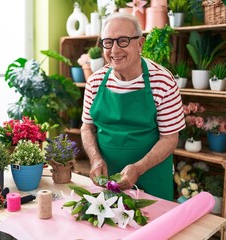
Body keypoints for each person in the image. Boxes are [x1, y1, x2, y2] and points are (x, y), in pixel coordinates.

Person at [80, 12, 185, 201]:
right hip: (108, 182)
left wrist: (138, 168)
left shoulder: (162, 81)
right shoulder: (95, 82)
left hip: (152, 178)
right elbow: (87, 128)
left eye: (122, 41)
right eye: (108, 42)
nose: (114, 50)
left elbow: (170, 138)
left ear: (140, 43)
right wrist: (95, 159)